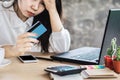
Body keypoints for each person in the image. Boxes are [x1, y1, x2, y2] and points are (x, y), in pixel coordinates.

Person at [0, 0, 71, 57]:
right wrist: (11, 51)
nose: (35, 7)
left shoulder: (45, 20)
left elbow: (62, 50)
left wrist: (52, 10)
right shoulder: (2, 13)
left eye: (43, 3)